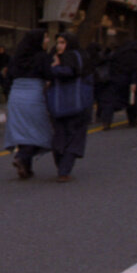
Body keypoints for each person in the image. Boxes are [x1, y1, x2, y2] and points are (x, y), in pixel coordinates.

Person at [3, 29, 53, 178]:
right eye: (45, 38)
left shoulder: (15, 58)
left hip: (16, 97)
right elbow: (49, 75)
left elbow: (7, 79)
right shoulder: (42, 57)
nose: (47, 41)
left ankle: (26, 167)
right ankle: (22, 157)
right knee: (40, 131)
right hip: (34, 96)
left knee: (23, 130)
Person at [46, 32, 90, 181]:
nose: (59, 46)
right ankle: (63, 169)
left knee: (72, 135)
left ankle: (64, 169)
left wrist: (54, 68)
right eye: (58, 42)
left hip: (72, 103)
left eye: (63, 42)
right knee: (61, 136)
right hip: (61, 105)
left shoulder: (74, 56)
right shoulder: (55, 56)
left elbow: (71, 72)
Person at [104, 39, 137, 129]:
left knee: (110, 102)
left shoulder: (118, 53)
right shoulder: (135, 55)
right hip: (127, 80)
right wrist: (134, 82)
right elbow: (135, 70)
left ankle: (106, 122)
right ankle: (133, 120)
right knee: (131, 101)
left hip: (114, 79)